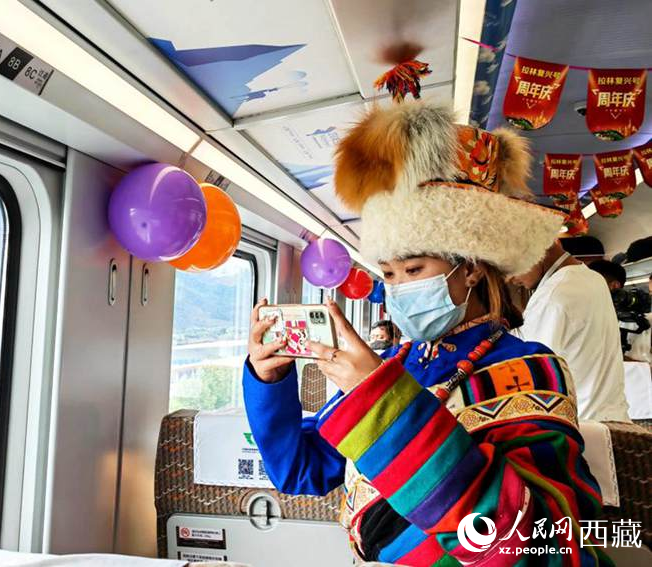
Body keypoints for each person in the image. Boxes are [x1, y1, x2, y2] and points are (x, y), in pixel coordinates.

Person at [242, 101, 609, 566]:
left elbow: (532, 549)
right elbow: (301, 470)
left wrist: (380, 404)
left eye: (414, 269)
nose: (399, 288)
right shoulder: (391, 365)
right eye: (389, 274)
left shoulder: (533, 369)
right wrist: (269, 381)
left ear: (470, 269)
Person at [511, 242, 630, 422]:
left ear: (533, 245)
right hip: (610, 416)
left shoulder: (554, 295)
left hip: (581, 423)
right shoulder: (592, 277)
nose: (510, 278)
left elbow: (532, 370)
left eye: (509, 266)